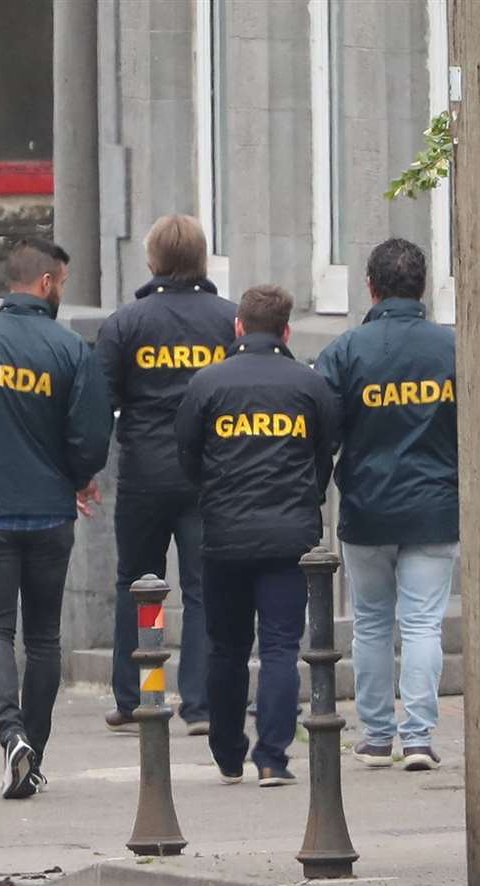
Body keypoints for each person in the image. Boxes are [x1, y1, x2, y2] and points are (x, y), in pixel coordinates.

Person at [0, 238, 114, 799]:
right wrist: (76, 476)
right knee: (43, 637)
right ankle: (33, 754)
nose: (62, 292)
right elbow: (90, 437)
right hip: (47, 513)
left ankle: (11, 736)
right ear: (46, 283)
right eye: (63, 282)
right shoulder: (68, 350)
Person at [175, 284, 339, 787]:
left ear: (239, 327)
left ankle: (226, 750)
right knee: (280, 648)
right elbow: (325, 454)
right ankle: (272, 757)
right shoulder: (308, 386)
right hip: (289, 538)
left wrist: (217, 497)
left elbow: (188, 455)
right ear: (286, 331)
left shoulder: (207, 384)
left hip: (224, 535)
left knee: (225, 647)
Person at [316, 239, 457, 772]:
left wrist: (318, 494)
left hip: (367, 505)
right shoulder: (452, 350)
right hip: (434, 505)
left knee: (372, 623)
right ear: (421, 287)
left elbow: (323, 434)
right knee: (423, 623)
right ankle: (418, 738)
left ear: (370, 287)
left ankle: (376, 737)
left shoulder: (346, 351)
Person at [94, 214, 235, 737]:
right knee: (203, 589)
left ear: (152, 261)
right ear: (202, 260)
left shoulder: (127, 323)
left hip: (144, 474)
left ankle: (138, 695)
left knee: (139, 586)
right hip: (210, 474)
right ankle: (199, 703)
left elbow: (99, 404)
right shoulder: (229, 320)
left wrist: (86, 468)